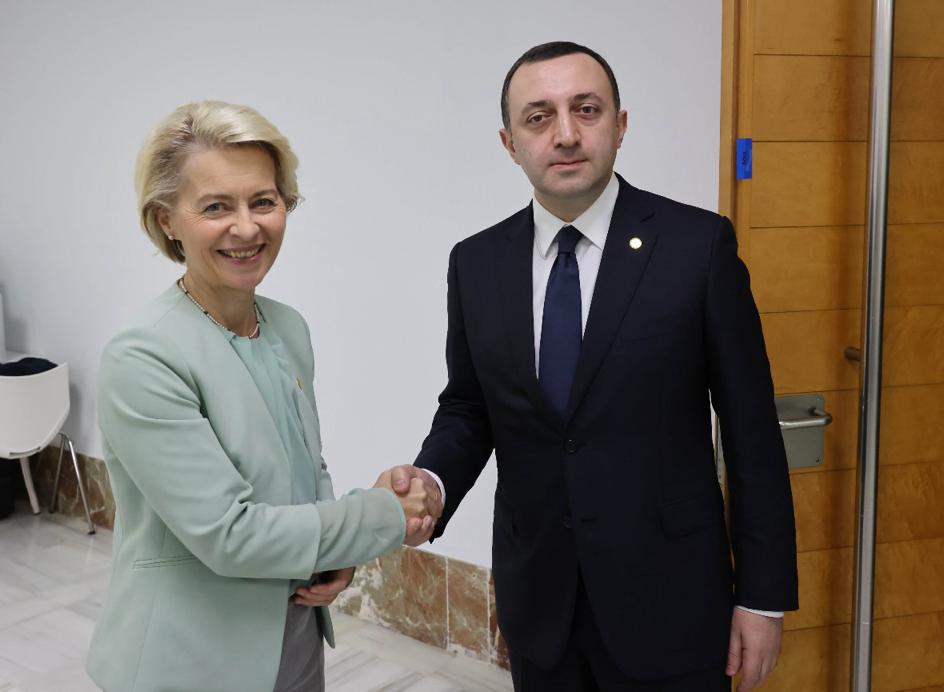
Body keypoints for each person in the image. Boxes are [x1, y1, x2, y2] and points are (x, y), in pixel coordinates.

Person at [391, 42, 798, 691]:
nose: (566, 134)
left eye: (586, 109)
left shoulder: (697, 248)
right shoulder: (476, 262)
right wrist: (434, 482)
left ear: (620, 124)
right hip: (539, 604)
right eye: (539, 117)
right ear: (510, 143)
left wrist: (762, 597)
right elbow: (469, 406)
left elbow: (751, 431)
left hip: (671, 604)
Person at [86, 101, 437, 692]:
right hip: (189, 659)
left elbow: (306, 471)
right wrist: (381, 514)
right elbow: (229, 534)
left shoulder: (287, 327)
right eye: (216, 207)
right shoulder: (143, 356)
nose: (247, 228)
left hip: (294, 635)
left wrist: (336, 556)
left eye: (264, 201)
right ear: (167, 220)